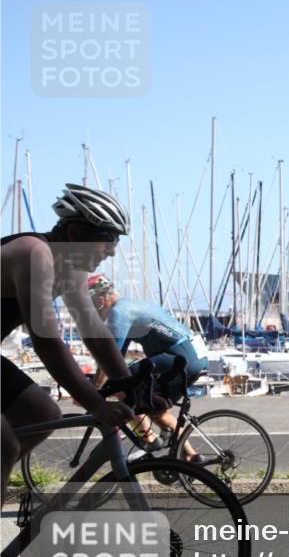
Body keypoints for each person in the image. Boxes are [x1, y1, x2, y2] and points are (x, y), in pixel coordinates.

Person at [1, 184, 137, 505]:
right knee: (4, 445)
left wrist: (130, 384)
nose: (112, 251)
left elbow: (93, 332)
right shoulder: (33, 254)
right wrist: (96, 405)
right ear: (75, 233)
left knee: (43, 413)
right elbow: (47, 343)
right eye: (108, 239)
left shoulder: (70, 269)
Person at [88, 274, 208, 462]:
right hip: (192, 354)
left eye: (93, 306)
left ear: (101, 300)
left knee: (120, 383)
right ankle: (192, 455)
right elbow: (117, 355)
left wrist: (93, 389)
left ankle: (149, 438)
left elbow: (109, 359)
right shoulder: (129, 306)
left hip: (182, 354)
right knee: (153, 406)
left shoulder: (119, 313)